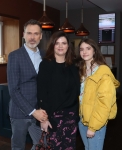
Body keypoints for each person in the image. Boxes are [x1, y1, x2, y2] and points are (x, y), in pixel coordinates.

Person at [7, 19, 48, 150]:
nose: (32, 37)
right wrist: (32, 111)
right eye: (29, 33)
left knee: (42, 143)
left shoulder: (45, 55)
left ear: (40, 36)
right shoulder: (14, 56)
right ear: (23, 34)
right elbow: (13, 90)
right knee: (18, 146)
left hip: (40, 111)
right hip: (20, 113)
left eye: (36, 34)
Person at [37, 31, 80, 149]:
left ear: (68, 46)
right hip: (53, 117)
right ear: (52, 46)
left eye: (64, 43)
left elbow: (76, 91)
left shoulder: (73, 65)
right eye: (57, 43)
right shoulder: (45, 65)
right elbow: (41, 93)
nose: (60, 46)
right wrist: (43, 119)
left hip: (71, 117)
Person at [77, 38, 120, 150]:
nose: (84, 52)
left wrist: (93, 126)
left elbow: (104, 103)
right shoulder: (82, 70)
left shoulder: (102, 72)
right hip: (83, 120)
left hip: (95, 123)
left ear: (94, 51)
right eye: (81, 49)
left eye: (88, 48)